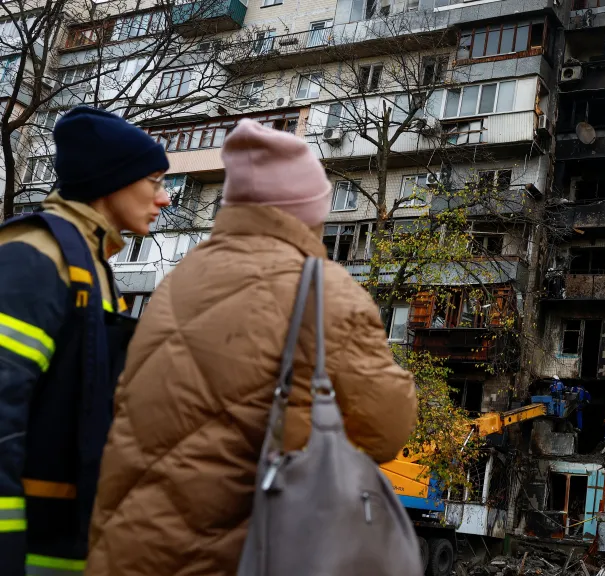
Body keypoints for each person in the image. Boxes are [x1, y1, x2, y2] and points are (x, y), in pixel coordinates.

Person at [85, 119, 418, 576]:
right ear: (306, 210)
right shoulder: (324, 290)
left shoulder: (179, 279)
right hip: (241, 550)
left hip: (127, 548)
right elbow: (389, 430)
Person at [0, 106, 170, 576]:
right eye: (154, 180)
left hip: (67, 545)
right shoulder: (36, 256)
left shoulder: (90, 263)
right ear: (112, 180)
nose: (165, 198)